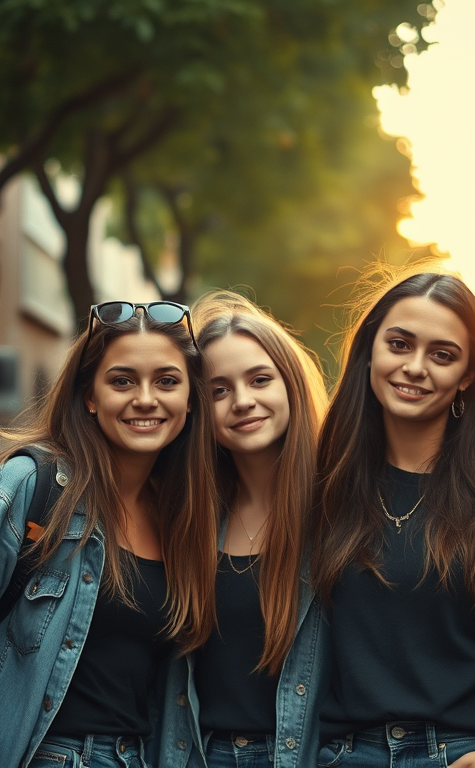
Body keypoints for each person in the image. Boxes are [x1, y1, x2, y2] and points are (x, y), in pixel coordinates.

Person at [0, 300, 219, 768]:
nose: (146, 398)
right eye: (122, 380)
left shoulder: (181, 516)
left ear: (190, 397)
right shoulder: (29, 488)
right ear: (89, 396)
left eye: (167, 381)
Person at [310, 264, 475, 768]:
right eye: (399, 344)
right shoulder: (323, 484)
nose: (416, 367)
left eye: (442, 355)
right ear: (370, 350)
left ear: (467, 376)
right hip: (347, 756)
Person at [159, 291, 329, 768]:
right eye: (219, 390)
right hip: (199, 753)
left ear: (290, 385)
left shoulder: (341, 510)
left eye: (259, 379)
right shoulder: (184, 518)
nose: (243, 401)